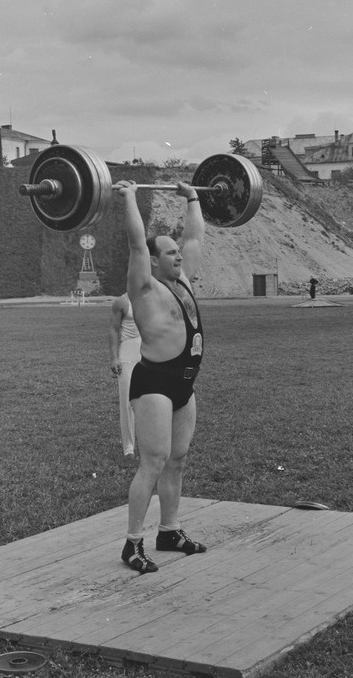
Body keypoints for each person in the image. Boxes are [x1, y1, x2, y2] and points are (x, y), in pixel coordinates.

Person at [114, 178, 207, 574]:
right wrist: (130, 198)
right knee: (152, 462)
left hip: (184, 384)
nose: (178, 257)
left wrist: (193, 198)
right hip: (154, 384)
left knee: (178, 460)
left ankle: (169, 531)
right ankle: (132, 544)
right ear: (153, 260)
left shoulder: (183, 281)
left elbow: (195, 239)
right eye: (168, 253)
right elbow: (137, 243)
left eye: (176, 252)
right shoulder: (144, 289)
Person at [108, 293, 141, 457]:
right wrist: (114, 358)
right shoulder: (121, 302)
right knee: (127, 401)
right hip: (128, 354)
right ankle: (129, 447)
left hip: (150, 353)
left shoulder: (153, 296)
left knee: (153, 399)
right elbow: (114, 328)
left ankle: (150, 441)